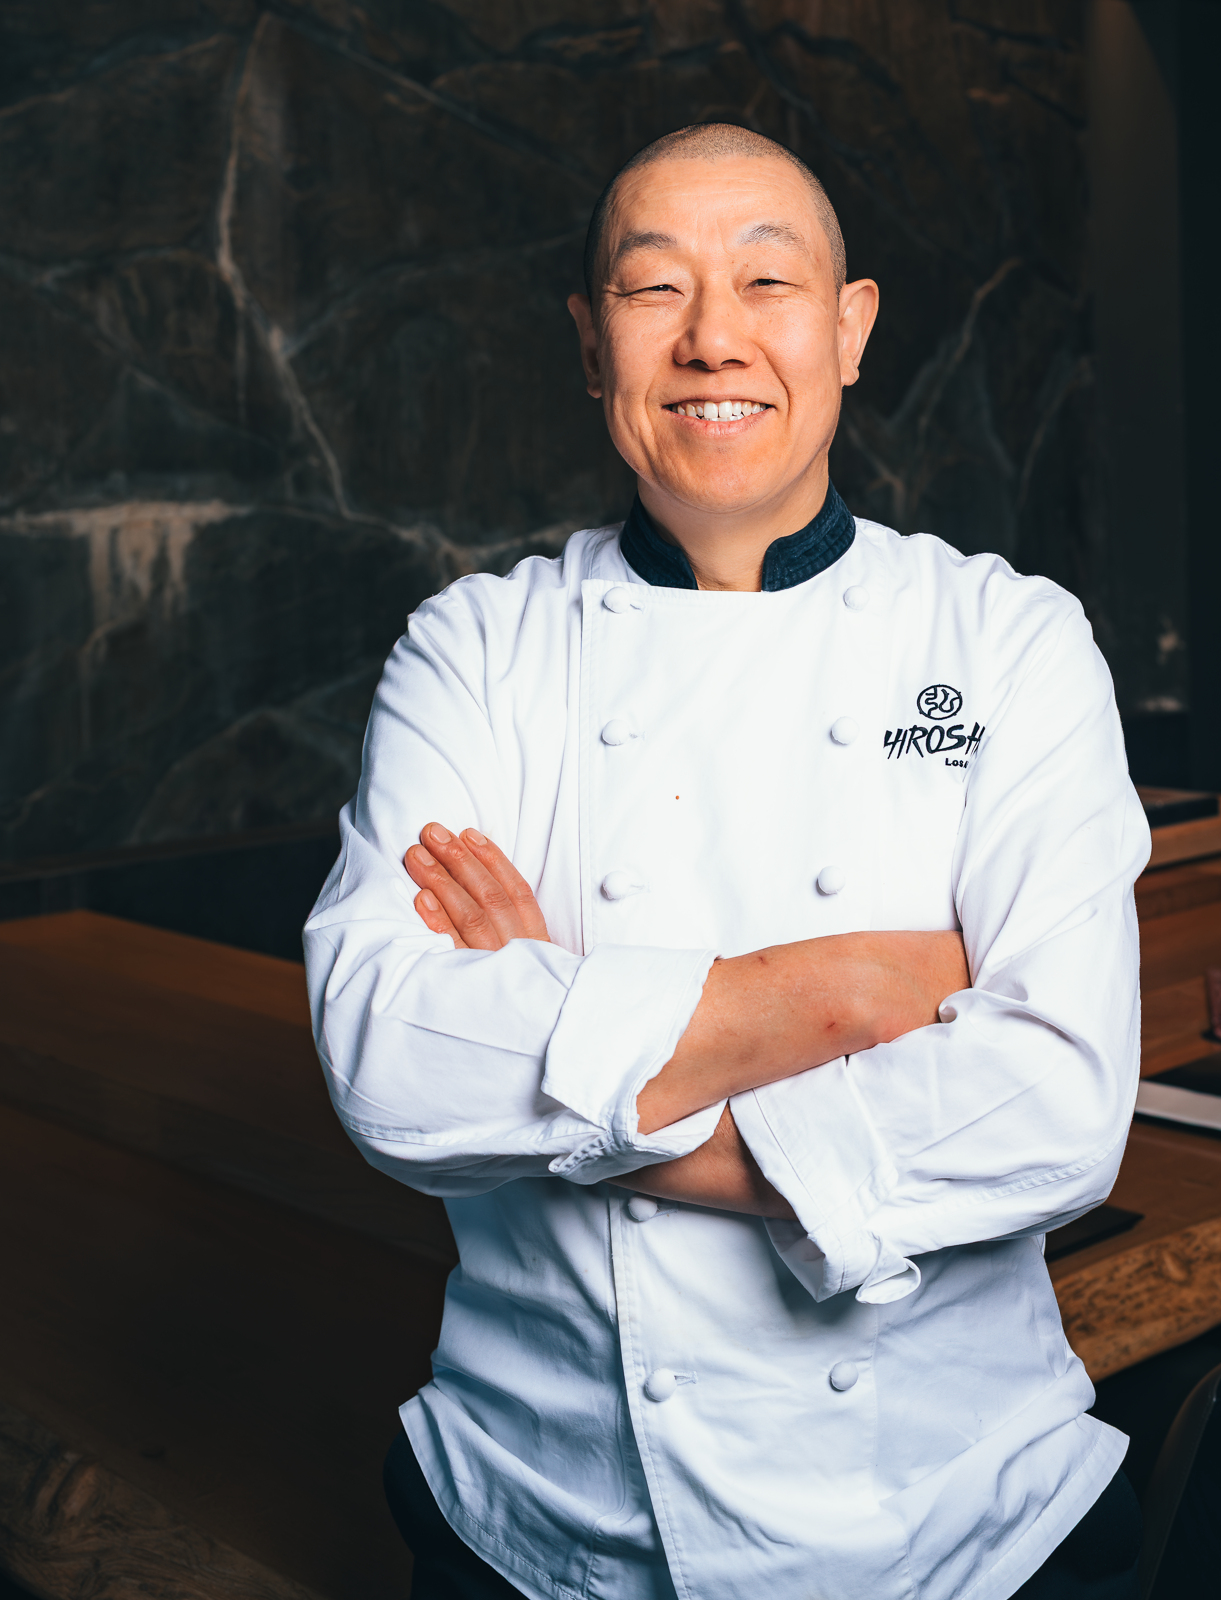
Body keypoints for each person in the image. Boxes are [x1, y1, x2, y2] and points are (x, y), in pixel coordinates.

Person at [304, 123, 1150, 1600]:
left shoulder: (1009, 639)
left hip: (954, 1526)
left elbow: (1060, 1108)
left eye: (767, 282)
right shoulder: (475, 648)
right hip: (534, 1523)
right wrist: (849, 990)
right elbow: (391, 1063)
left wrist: (561, 1031)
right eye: (655, 290)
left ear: (849, 329)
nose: (712, 339)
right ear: (592, 346)